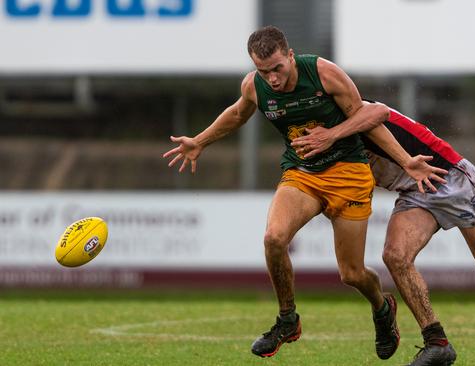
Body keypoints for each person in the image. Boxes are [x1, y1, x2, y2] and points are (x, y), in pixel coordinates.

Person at [162, 26, 447, 360]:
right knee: (273, 238)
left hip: (349, 173)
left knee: (352, 274)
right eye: (262, 71)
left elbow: (368, 118)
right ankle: (287, 319)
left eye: (277, 68)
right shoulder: (254, 85)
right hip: (302, 173)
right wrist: (199, 141)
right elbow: (239, 113)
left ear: (290, 56)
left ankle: (382, 308)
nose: (272, 78)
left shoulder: (324, 74)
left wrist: (405, 160)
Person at [291, 100, 475, 366]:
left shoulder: (349, 112)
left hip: (450, 178)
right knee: (395, 256)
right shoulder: (315, 135)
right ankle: (437, 341)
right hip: (414, 191)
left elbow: (379, 111)